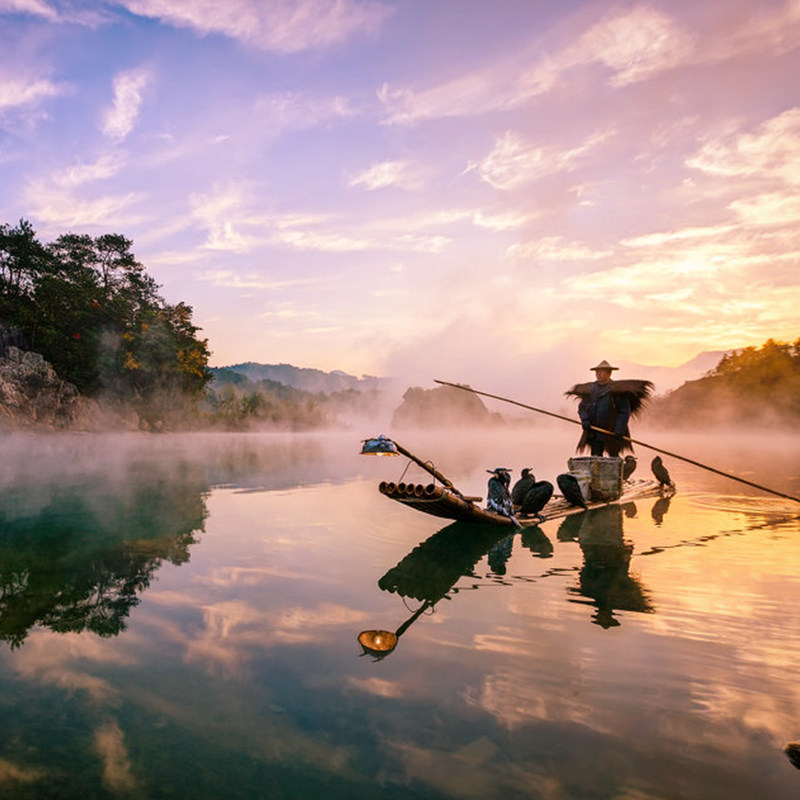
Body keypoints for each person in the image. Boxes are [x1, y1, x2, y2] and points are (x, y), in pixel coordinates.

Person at [566, 360, 653, 458]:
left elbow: (624, 411)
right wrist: (585, 419)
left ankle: (617, 472)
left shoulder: (617, 390)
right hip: (595, 431)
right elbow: (582, 407)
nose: (598, 374)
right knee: (595, 457)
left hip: (612, 432)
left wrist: (619, 429)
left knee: (614, 458)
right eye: (597, 372)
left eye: (602, 372)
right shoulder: (591, 389)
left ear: (609, 373)